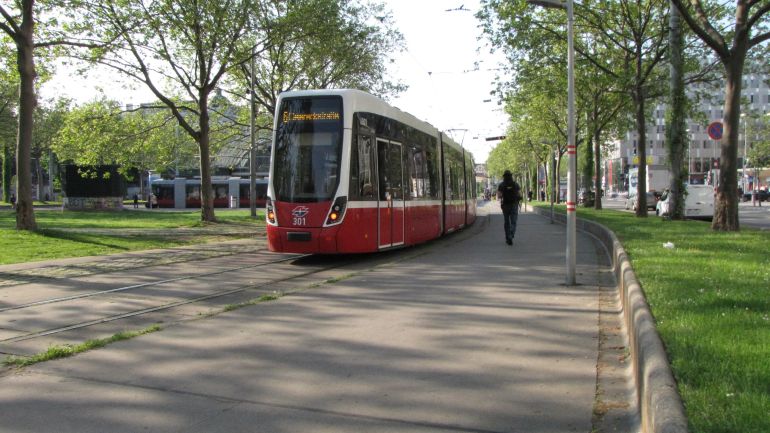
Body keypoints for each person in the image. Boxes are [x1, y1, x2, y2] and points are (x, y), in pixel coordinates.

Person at [497, 170, 522, 245]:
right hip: (514, 205)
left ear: (504, 176)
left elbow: (499, 196)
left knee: (506, 222)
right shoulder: (515, 184)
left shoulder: (501, 185)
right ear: (511, 176)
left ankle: (508, 237)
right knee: (513, 221)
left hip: (505, 205)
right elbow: (519, 195)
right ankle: (511, 234)